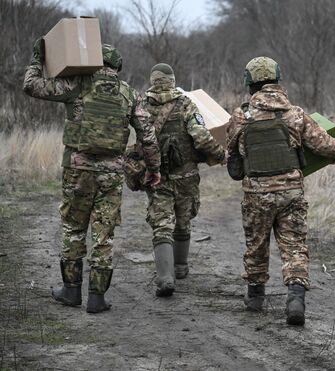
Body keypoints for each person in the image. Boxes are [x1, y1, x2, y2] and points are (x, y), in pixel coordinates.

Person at [23, 40, 161, 313]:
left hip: (78, 170)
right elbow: (148, 136)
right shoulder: (129, 94)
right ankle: (97, 297)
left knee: (74, 228)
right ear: (118, 67)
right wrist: (154, 168)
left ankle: (71, 291)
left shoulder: (77, 84)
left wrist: (38, 57)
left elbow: (31, 85)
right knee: (104, 234)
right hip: (111, 174)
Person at [226, 57, 335, 326]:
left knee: (256, 246)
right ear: (277, 80)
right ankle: (295, 298)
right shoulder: (295, 114)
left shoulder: (240, 117)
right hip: (291, 193)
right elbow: (330, 148)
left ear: (250, 84)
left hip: (256, 194)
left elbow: (231, 162)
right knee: (294, 247)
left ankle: (255, 297)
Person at [143, 63, 226, 297]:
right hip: (186, 175)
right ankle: (180, 268)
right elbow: (201, 137)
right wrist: (220, 154)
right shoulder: (186, 104)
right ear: (172, 80)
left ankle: (165, 278)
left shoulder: (142, 105)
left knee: (162, 224)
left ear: (153, 81)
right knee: (183, 219)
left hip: (156, 175)